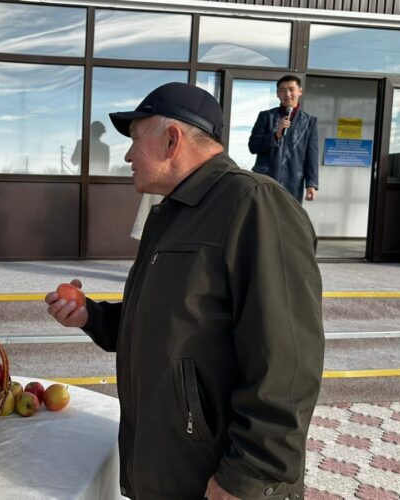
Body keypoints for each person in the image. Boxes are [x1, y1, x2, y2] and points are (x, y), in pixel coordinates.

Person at [45, 82, 324, 500]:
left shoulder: (255, 206)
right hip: (171, 471)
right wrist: (93, 316)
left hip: (218, 482)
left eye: (135, 140)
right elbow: (171, 316)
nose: (127, 155)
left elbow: (287, 362)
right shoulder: (174, 213)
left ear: (172, 139)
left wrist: (248, 475)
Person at [248, 74, 319, 202]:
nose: (287, 94)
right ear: (277, 94)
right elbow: (253, 146)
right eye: (282, 90)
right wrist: (276, 134)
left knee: (289, 219)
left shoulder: (309, 122)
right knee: (263, 217)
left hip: (293, 181)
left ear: (300, 91)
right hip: (266, 179)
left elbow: (312, 154)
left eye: (291, 89)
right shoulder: (266, 116)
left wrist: (311, 184)